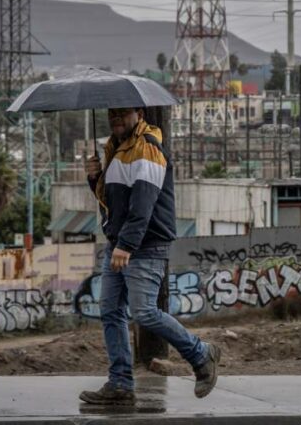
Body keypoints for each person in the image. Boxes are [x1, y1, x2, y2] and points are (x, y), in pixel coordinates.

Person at [79, 106, 220, 405]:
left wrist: (126, 246)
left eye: (122, 113)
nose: (116, 118)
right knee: (111, 312)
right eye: (111, 114)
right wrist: (95, 179)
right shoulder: (117, 150)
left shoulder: (147, 149)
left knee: (143, 311)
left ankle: (201, 353)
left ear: (139, 114)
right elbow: (113, 203)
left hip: (144, 244)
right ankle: (120, 383)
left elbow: (142, 205)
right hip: (121, 242)